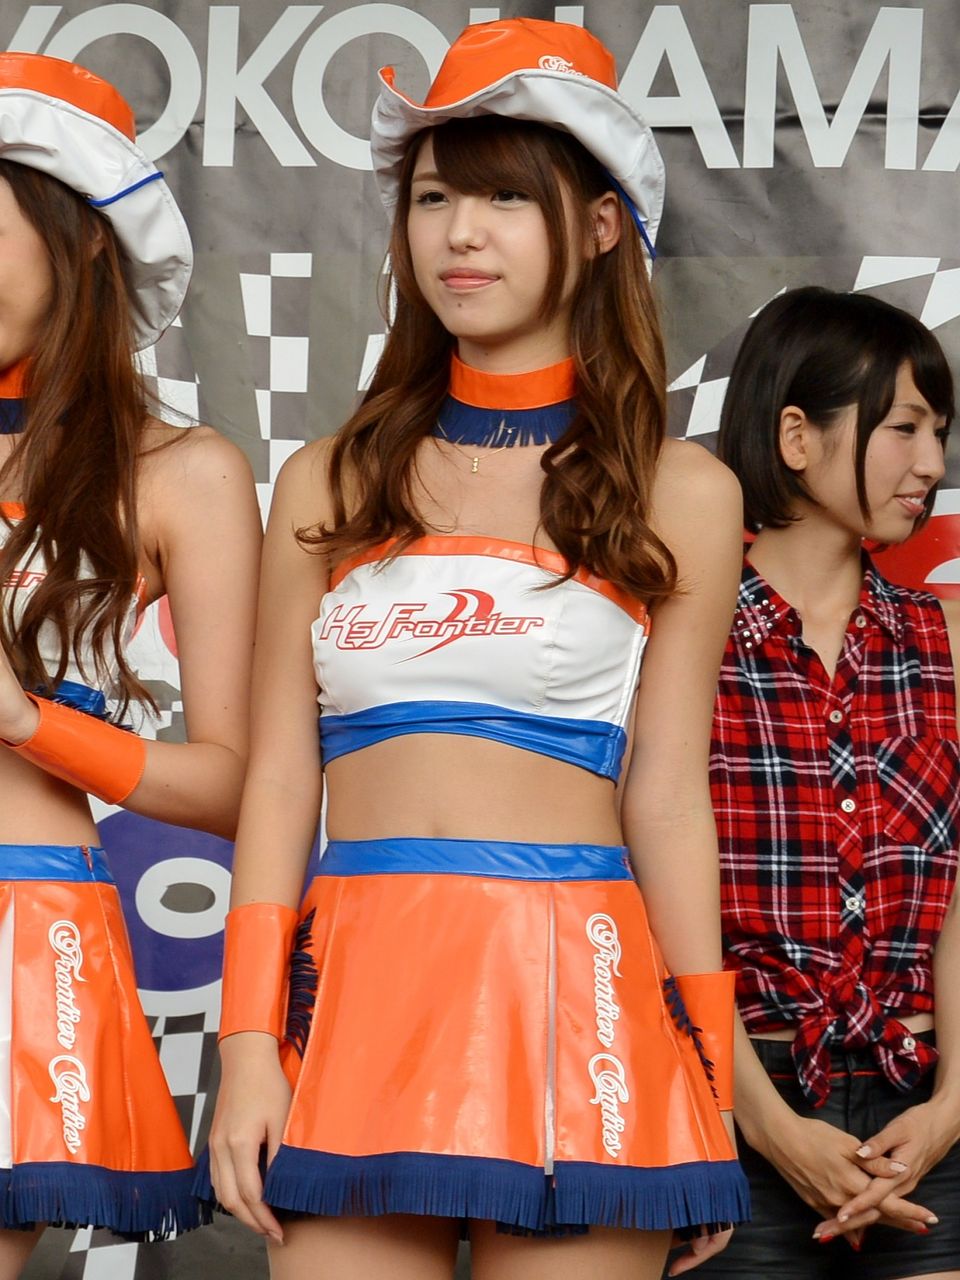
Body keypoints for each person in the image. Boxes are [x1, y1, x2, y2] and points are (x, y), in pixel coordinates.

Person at [205, 18, 748, 1280]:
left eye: (507, 197)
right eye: (436, 196)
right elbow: (281, 778)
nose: (460, 233)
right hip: (355, 1001)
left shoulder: (682, 490)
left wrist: (708, 1074)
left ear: (601, 225)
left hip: (583, 1010)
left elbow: (669, 797)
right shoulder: (328, 478)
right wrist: (244, 1041)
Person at [0, 52, 260, 1273]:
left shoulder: (180, 472)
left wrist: (29, 723)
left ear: (83, 242)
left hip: (21, 925)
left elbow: (238, 781)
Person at [700, 285, 960, 1278]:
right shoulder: (683, 640)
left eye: (939, 433)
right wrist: (766, 1124)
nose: (931, 463)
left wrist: (950, 1110)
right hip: (734, 1100)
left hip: (923, 1105)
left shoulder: (945, 639)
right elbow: (650, 901)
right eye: (904, 427)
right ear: (797, 436)